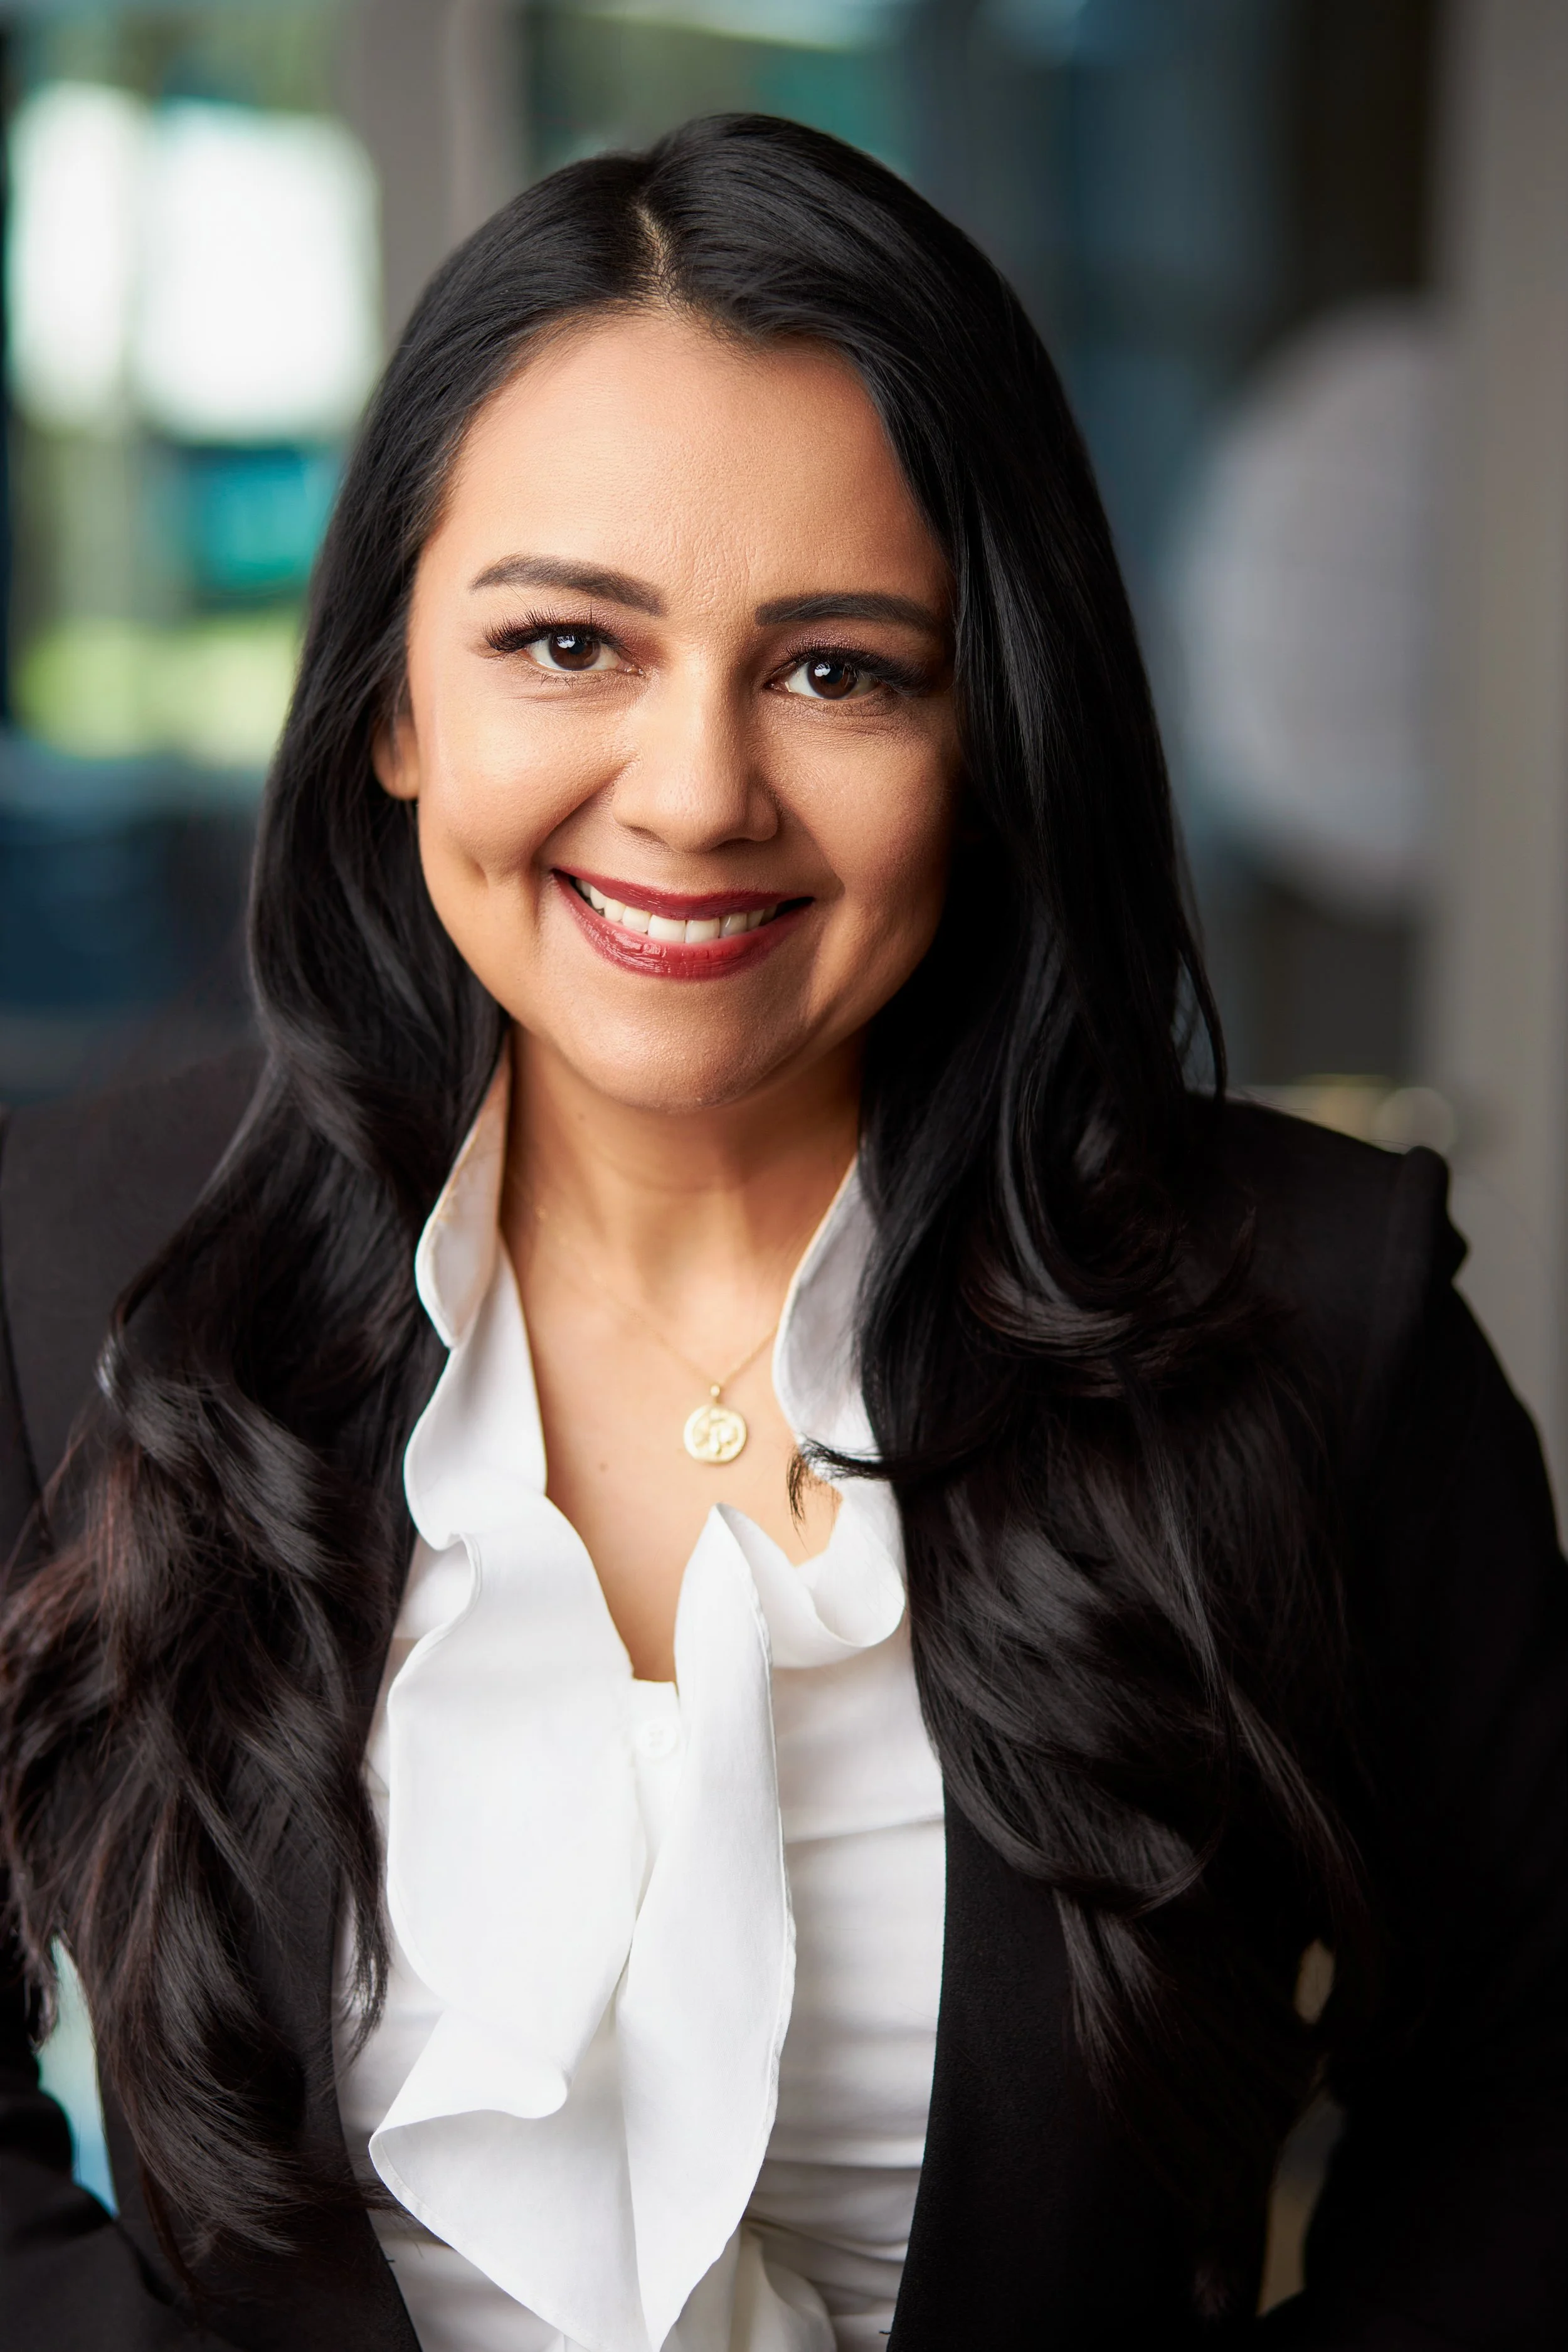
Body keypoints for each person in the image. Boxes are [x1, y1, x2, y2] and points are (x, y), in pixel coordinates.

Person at [0, 114, 1562, 2352]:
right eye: (565, 644)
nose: (696, 787)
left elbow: (1533, 2084)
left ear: (987, 731)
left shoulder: (1319, 1326)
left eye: (838, 668)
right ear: (387, 710)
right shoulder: (68, 1286)